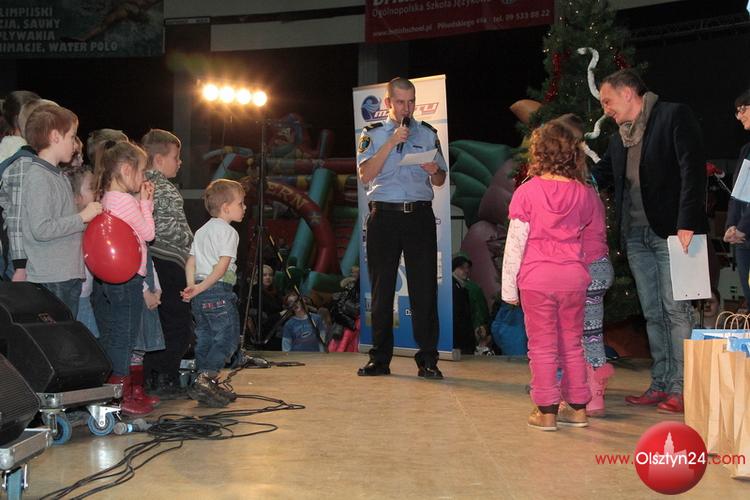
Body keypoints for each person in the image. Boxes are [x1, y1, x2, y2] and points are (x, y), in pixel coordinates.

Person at [592, 69, 708, 414]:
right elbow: (602, 175)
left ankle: (683, 388)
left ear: (628, 93)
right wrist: (564, 175)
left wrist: (687, 221)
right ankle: (660, 384)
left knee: (677, 311)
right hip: (636, 236)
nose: (605, 109)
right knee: (653, 314)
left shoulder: (673, 116)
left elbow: (692, 170)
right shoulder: (619, 138)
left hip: (674, 234)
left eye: (607, 101)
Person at [502, 118, 598, 431]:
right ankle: (578, 409)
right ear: (573, 153)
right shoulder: (584, 194)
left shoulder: (526, 192)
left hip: (537, 279)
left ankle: (546, 412)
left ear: (538, 152)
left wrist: (508, 290)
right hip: (572, 278)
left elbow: (515, 244)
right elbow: (588, 235)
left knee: (542, 347)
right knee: (572, 344)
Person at [356, 76, 447, 379]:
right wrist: (392, 142)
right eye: (400, 102)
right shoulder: (372, 134)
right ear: (388, 103)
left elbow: (440, 179)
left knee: (424, 288)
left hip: (419, 216)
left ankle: (428, 359)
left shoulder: (428, 133)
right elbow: (365, 174)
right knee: (382, 290)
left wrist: (434, 171)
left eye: (411, 102)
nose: (407, 107)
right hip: (384, 216)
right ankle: (379, 359)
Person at [558, 113, 616, 418]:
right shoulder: (589, 182)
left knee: (575, 335)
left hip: (583, 269)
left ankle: (586, 391)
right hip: (599, 266)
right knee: (590, 332)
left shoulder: (571, 188)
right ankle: (592, 392)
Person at [20, 105, 101, 314]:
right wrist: (82, 217)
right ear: (55, 136)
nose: (75, 144)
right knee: (58, 334)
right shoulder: (38, 177)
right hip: (52, 277)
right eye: (72, 137)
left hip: (66, 275)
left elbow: (65, 223)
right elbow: (41, 229)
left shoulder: (58, 175)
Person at [96, 141, 155, 416]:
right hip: (128, 276)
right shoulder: (125, 201)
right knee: (125, 335)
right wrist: (146, 204)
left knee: (117, 331)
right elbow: (148, 234)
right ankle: (119, 394)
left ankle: (123, 391)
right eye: (141, 171)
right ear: (126, 169)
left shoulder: (107, 198)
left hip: (115, 277)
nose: (143, 178)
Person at [181, 179, 245, 408]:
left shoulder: (201, 231)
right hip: (218, 290)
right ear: (226, 207)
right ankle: (206, 378)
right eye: (241, 203)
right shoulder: (229, 232)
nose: (244, 207)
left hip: (200, 292)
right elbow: (221, 267)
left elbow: (191, 262)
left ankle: (204, 383)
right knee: (228, 337)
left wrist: (193, 286)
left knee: (206, 338)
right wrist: (202, 287)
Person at [140, 129, 194, 398]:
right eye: (176, 157)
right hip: (169, 262)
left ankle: (153, 375)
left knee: (161, 322)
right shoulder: (162, 188)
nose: (179, 162)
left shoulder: (142, 184)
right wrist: (192, 242)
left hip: (154, 262)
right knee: (178, 324)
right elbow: (170, 229)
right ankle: (165, 376)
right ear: (159, 160)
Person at [0, 98, 57, 281]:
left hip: (37, 254)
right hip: (22, 259)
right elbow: (16, 218)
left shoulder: (42, 164)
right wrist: (20, 265)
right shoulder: (25, 163)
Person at [64, 163, 100, 338]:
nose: (97, 192)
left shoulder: (94, 224)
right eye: (91, 188)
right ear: (76, 198)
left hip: (86, 297)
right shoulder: (72, 227)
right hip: (76, 297)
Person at [724, 88, 750, 305]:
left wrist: (743, 227)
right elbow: (737, 193)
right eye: (737, 111)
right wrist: (731, 226)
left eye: (743, 109)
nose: (739, 116)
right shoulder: (746, 150)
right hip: (743, 239)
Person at [451, 255, 477, 355]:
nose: (466, 271)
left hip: (462, 338)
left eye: (467, 268)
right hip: (459, 339)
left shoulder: (461, 286)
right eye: (462, 268)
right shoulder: (453, 288)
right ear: (454, 269)